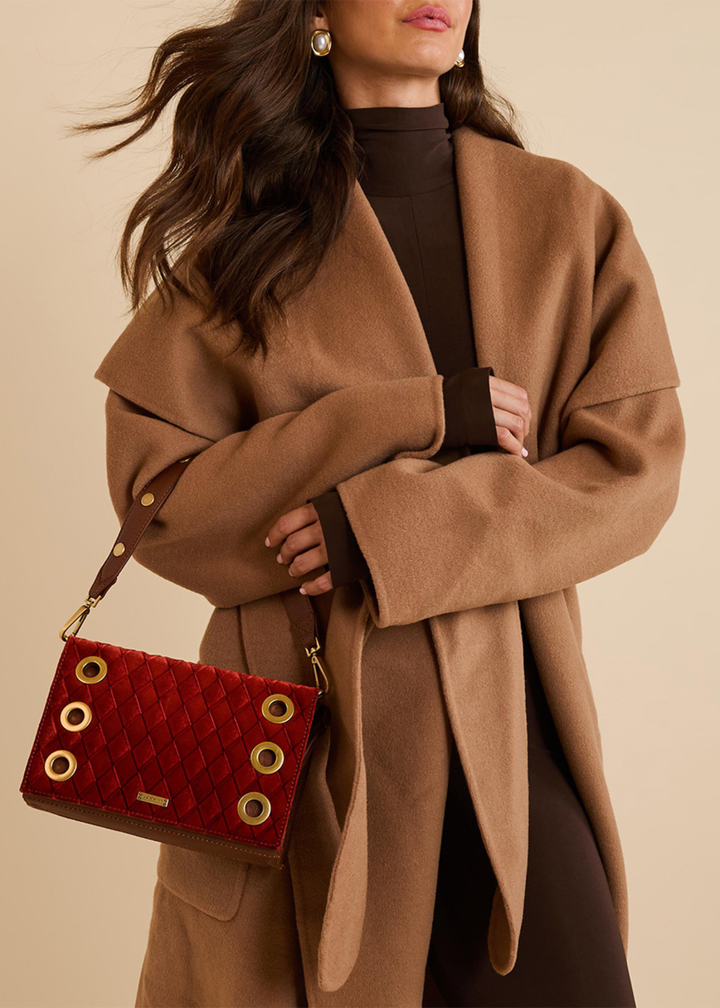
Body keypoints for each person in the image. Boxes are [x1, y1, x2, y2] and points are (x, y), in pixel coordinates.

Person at [83, 1, 685, 1005]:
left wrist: (386, 529)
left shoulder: (566, 217)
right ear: (313, 11)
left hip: (515, 732)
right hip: (303, 747)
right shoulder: (244, 244)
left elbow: (636, 473)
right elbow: (163, 504)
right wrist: (406, 417)